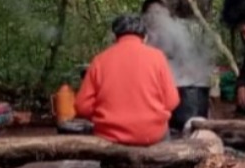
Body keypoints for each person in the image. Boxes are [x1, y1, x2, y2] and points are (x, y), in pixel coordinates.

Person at [75, 14, 179, 146]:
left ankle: (110, 166)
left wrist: (103, 114)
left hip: (110, 137)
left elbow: (82, 106)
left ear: (115, 37)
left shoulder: (100, 60)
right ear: (145, 37)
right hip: (151, 135)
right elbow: (172, 101)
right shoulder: (157, 57)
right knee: (165, 134)